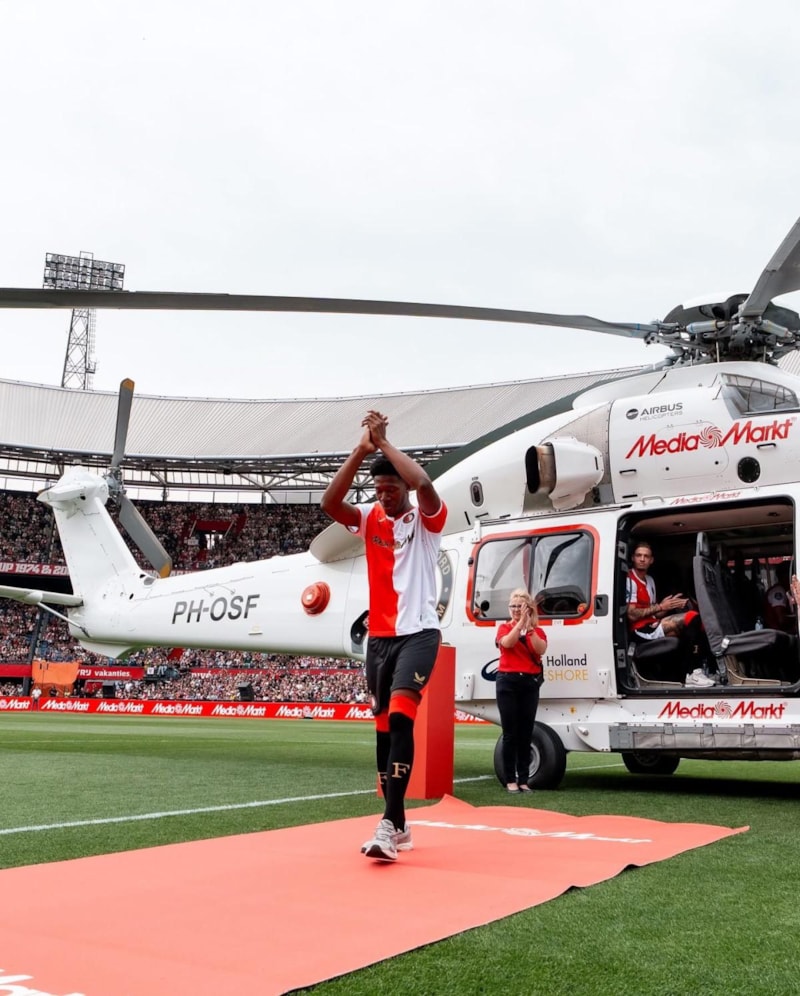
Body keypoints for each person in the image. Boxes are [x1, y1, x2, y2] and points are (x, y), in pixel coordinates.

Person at [321, 409, 447, 861]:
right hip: (379, 639)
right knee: (381, 730)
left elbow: (425, 483)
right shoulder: (370, 518)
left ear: (404, 490)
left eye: (391, 490)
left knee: (400, 719)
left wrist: (386, 444)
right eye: (378, 491)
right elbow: (330, 504)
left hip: (419, 634)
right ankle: (400, 824)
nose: (384, 497)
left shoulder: (426, 522)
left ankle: (390, 825)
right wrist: (362, 449)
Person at [626, 540, 714, 687]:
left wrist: (669, 606)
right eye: (638, 555)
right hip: (640, 631)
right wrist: (660, 606)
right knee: (692, 618)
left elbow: (654, 614)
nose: (642, 559)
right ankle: (690, 673)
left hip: (651, 625)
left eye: (646, 556)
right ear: (632, 558)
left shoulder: (650, 580)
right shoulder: (630, 580)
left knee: (696, 625)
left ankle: (693, 671)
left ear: (651, 560)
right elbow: (632, 615)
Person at [495, 588, 547, 793]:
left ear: (529, 608)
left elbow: (540, 649)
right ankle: (510, 779)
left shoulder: (538, 631)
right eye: (513, 606)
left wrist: (529, 627)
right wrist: (519, 624)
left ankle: (523, 779)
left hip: (529, 682)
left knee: (526, 732)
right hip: (507, 682)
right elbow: (507, 643)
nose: (516, 610)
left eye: (520, 606)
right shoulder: (504, 628)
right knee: (510, 733)